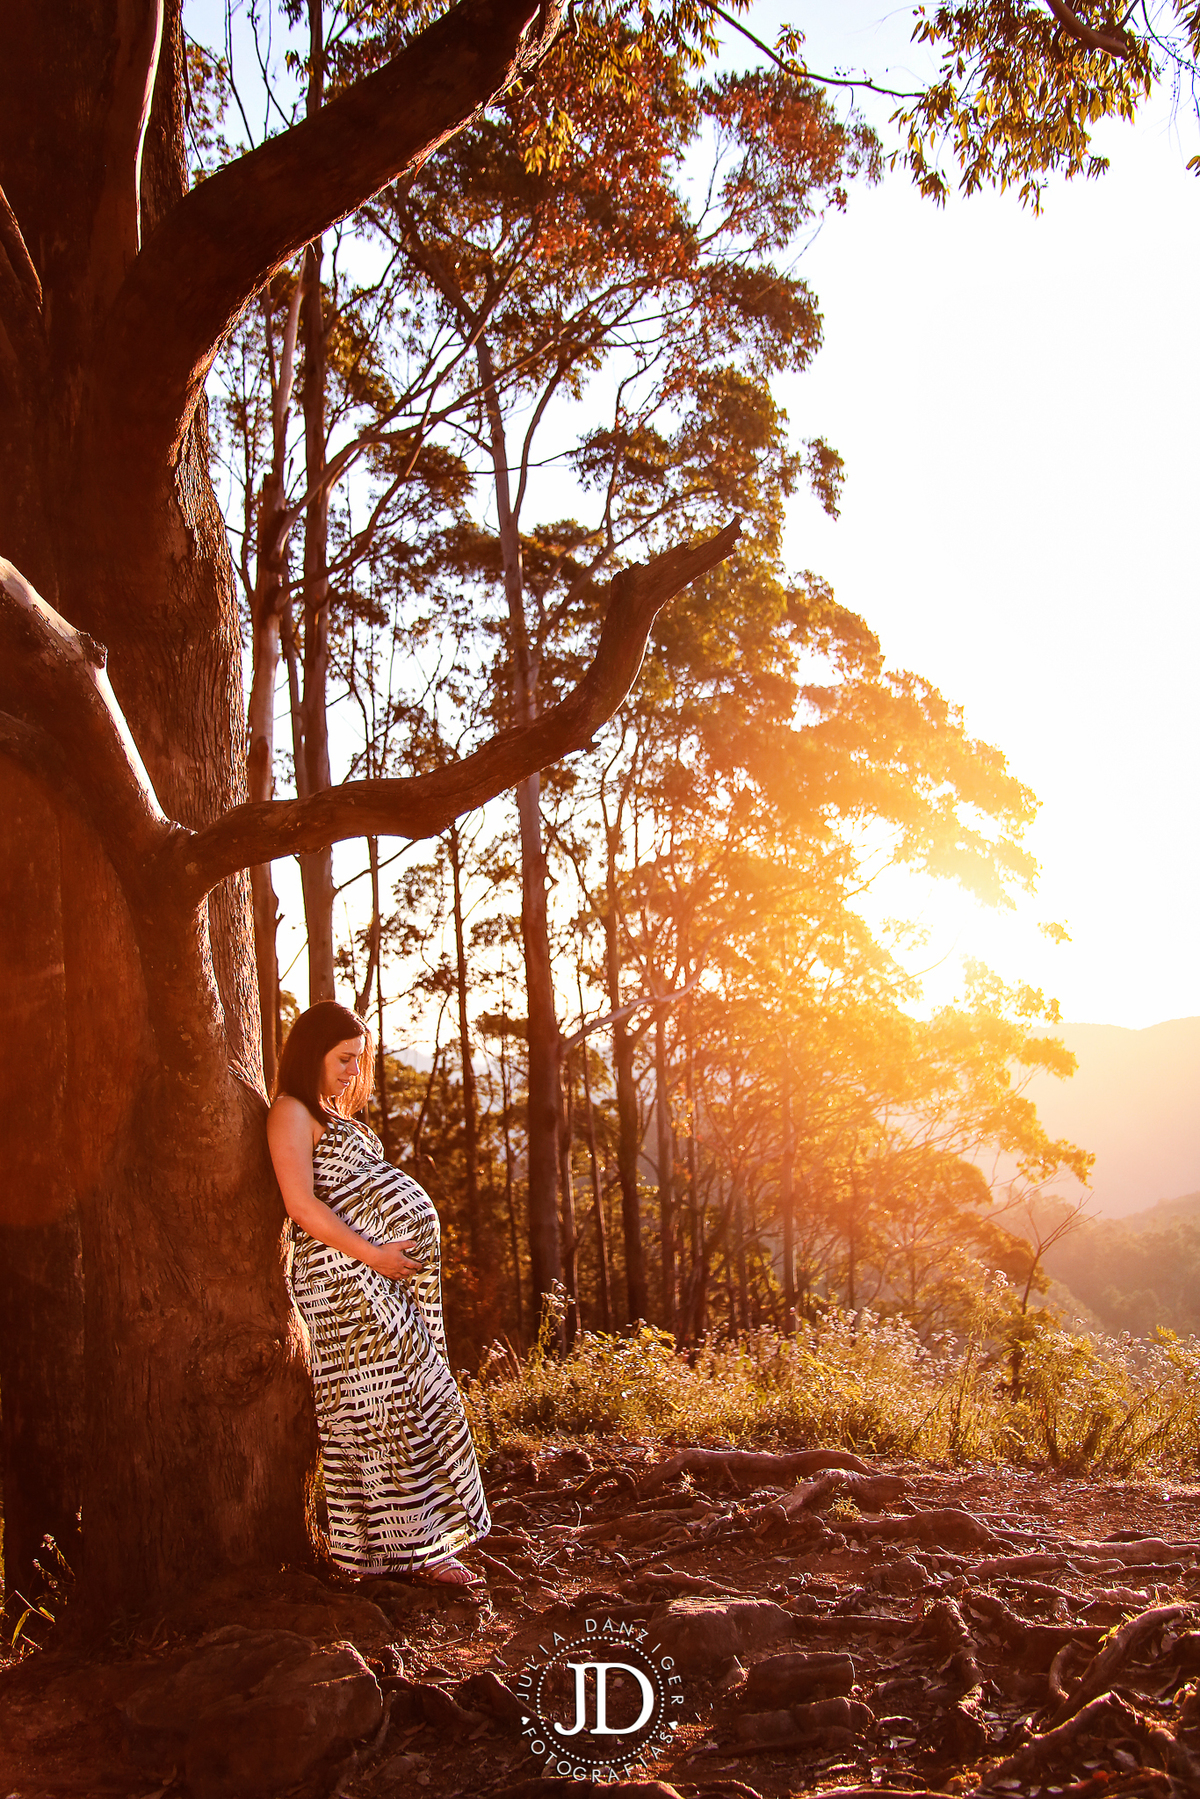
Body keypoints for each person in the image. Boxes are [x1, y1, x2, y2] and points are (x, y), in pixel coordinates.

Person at [267, 1000, 490, 1585]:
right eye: (344, 1059)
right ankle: (403, 1555)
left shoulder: (329, 1112)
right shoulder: (290, 1112)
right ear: (312, 1052)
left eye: (358, 1060)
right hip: (339, 1283)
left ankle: (415, 1545)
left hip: (374, 1275)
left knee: (414, 1394)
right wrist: (374, 1254)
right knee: (375, 1409)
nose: (353, 1071)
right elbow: (300, 1204)